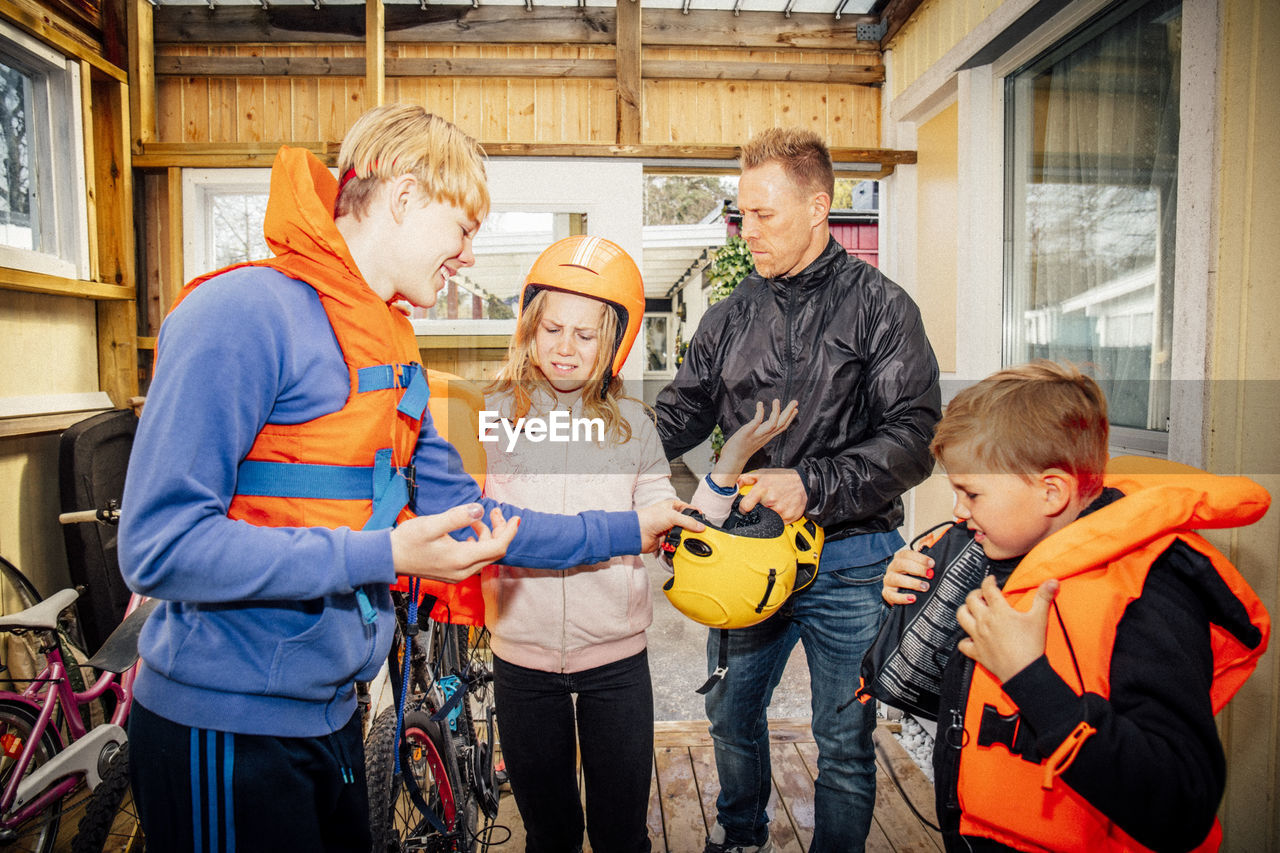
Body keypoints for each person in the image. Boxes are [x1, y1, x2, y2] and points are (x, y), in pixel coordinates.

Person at [118, 105, 697, 853]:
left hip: (331, 716)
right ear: (404, 196)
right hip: (225, 725)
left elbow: (481, 519)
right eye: (462, 228)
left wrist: (632, 527)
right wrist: (384, 555)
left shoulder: (392, 348)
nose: (464, 255)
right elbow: (158, 548)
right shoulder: (241, 314)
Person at [654, 127, 942, 853]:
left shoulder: (883, 308)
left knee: (843, 742)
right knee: (729, 715)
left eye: (764, 214)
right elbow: (676, 414)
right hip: (745, 554)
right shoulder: (727, 317)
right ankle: (741, 837)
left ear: (820, 206)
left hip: (854, 557)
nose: (745, 231)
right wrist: (590, 440)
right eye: (741, 213)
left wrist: (811, 482)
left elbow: (916, 435)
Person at [481, 234, 798, 853]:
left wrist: (727, 467)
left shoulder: (636, 428)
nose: (565, 348)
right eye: (551, 330)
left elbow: (677, 532)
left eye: (585, 334)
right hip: (520, 662)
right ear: (528, 328)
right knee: (549, 834)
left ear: (614, 342)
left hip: (616, 666)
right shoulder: (492, 417)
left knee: (622, 832)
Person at [882, 360, 1271, 852]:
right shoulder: (1000, 548)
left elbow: (1181, 806)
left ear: (1052, 491)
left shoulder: (1149, 596)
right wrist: (906, 592)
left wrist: (1028, 675)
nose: (959, 512)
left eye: (971, 492)